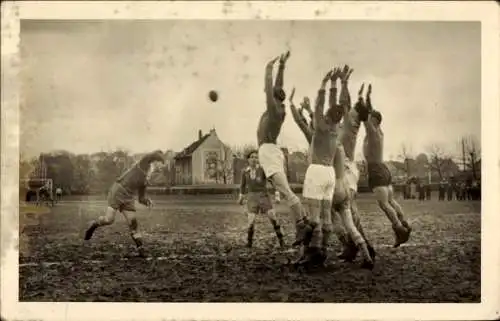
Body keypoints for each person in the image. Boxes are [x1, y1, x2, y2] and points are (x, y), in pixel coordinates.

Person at [257, 51, 312, 247]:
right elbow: (276, 87)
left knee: (287, 192)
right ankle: (304, 222)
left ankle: (301, 225)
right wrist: (282, 65)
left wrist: (269, 68)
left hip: (269, 153)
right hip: (271, 152)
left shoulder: (274, 110)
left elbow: (269, 87)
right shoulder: (279, 108)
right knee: (286, 191)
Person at [84, 150, 164, 257]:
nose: (161, 167)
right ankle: (94, 225)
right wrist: (161, 156)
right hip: (119, 190)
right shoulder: (143, 165)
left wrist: (147, 201)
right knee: (109, 220)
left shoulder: (146, 178)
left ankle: (141, 249)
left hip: (128, 197)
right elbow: (150, 155)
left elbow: (141, 198)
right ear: (154, 161)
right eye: (160, 164)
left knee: (133, 223)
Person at [361, 84, 411, 247]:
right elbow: (372, 114)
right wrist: (368, 98)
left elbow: (367, 117)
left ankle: (399, 230)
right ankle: (405, 224)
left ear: (373, 120)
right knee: (391, 201)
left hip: (376, 169)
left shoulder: (372, 132)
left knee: (384, 204)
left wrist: (363, 99)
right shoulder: (380, 131)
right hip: (384, 169)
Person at [238, 150, 285, 249]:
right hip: (251, 197)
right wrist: (241, 197)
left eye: (256, 157)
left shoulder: (263, 170)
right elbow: (242, 186)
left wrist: (277, 194)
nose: (254, 159)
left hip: (264, 196)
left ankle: (281, 240)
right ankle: (249, 243)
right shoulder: (245, 171)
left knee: (273, 218)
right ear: (248, 159)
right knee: (251, 220)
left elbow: (272, 182)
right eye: (252, 157)